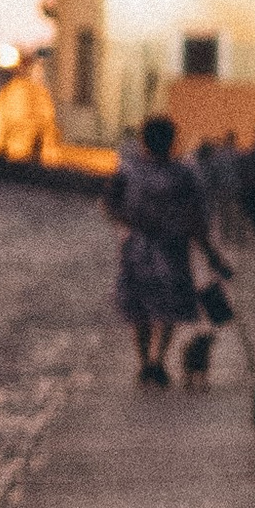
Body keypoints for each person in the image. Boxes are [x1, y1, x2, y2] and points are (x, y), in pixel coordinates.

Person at [105, 114, 231, 388]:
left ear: (144, 140)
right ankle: (158, 361)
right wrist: (211, 255)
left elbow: (110, 204)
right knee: (167, 308)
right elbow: (197, 218)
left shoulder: (129, 170)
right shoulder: (183, 174)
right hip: (172, 249)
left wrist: (130, 222)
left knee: (140, 309)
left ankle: (144, 364)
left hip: (137, 248)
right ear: (172, 141)